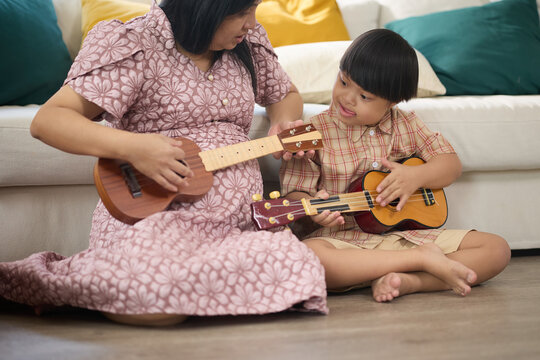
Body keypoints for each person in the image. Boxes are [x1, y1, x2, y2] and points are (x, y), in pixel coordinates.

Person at [0, 0, 327, 326]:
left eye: (254, 8)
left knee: (299, 267)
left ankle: (121, 286)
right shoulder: (133, 42)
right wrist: (135, 148)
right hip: (156, 218)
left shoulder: (247, 42)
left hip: (237, 225)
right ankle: (57, 281)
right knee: (155, 307)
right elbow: (49, 121)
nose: (252, 23)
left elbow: (284, 94)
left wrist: (283, 123)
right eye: (240, 12)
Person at [280, 29, 511, 302]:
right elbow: (293, 197)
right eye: (344, 81)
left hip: (404, 236)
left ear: (392, 101)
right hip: (344, 243)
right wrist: (312, 210)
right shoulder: (309, 134)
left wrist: (416, 176)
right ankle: (419, 261)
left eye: (365, 96)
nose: (348, 97)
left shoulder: (407, 124)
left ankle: (409, 281)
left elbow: (450, 164)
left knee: (497, 249)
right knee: (310, 258)